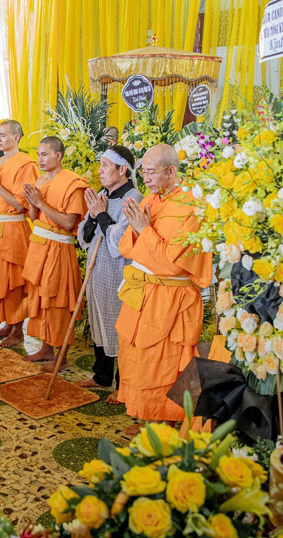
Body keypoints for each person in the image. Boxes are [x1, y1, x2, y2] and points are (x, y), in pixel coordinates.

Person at [116, 143, 212, 432]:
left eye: (151, 172)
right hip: (142, 293)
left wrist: (144, 231)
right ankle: (147, 414)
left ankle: (165, 420)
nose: (146, 179)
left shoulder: (192, 206)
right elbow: (126, 247)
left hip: (170, 298)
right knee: (138, 357)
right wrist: (137, 231)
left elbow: (172, 265)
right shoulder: (150, 201)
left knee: (166, 363)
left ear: (172, 171)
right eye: (142, 172)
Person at [75, 146, 141, 400]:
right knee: (99, 321)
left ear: (122, 170)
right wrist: (93, 216)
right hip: (97, 270)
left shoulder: (132, 199)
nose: (99, 171)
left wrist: (101, 214)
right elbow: (85, 236)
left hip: (119, 274)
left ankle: (123, 385)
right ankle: (101, 376)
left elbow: (119, 243)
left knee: (119, 327)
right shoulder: (102, 195)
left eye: (105, 166)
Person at [20, 137, 90, 366]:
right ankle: (46, 348)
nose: (40, 159)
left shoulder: (73, 184)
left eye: (45, 154)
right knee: (40, 299)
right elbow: (34, 218)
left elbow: (69, 222)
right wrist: (32, 203)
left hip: (59, 249)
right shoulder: (40, 180)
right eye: (38, 154)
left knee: (58, 301)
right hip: (39, 248)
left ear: (58, 155)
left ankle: (62, 356)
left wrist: (40, 203)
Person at [0, 120, 39, 344]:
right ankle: (6, 324)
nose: (0, 139)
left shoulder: (26, 164)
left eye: (4, 135)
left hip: (13, 227)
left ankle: (17, 331)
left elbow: (22, 204)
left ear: (17, 137)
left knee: (13, 282)